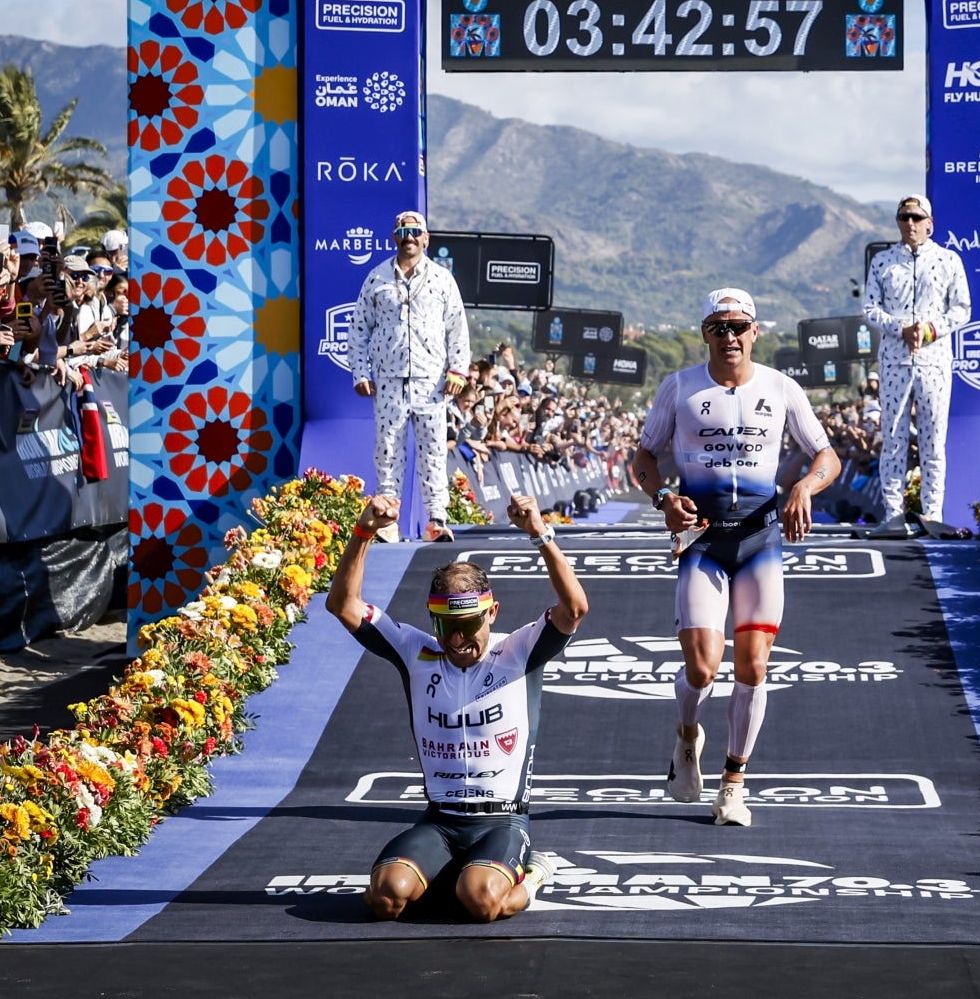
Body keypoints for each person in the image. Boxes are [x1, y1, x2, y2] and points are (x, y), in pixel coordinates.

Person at [631, 287, 840, 827]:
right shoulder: (679, 387)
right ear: (705, 333)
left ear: (755, 331)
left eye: (739, 326)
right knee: (702, 669)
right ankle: (687, 735)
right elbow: (644, 456)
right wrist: (663, 498)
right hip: (701, 540)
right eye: (718, 327)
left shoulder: (781, 387)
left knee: (753, 665)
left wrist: (804, 487)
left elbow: (826, 456)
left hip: (759, 540)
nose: (730, 336)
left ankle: (733, 784)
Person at [325, 492, 581, 922]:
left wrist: (540, 533)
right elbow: (342, 605)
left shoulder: (518, 650)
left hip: (502, 822)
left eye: (468, 625)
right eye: (446, 626)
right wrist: (363, 532)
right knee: (384, 899)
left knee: (481, 902)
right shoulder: (415, 651)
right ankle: (452, 876)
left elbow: (574, 608)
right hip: (440, 822)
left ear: (492, 613)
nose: (458, 640)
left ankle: (533, 876)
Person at [348, 210, 472, 543]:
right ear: (394, 238)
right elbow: (358, 329)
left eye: (416, 232)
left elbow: (457, 329)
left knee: (433, 451)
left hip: (431, 383)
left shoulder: (442, 279)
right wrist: (360, 371)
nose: (409, 238)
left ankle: (436, 520)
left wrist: (458, 370)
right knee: (387, 449)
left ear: (426, 238)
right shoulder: (376, 278)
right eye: (403, 232)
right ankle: (387, 519)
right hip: (389, 380)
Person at [861, 194, 972, 531]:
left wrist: (929, 329)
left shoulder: (948, 260)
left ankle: (932, 515)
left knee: (933, 441)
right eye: (904, 217)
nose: (910, 223)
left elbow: (962, 309)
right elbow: (869, 309)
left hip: (934, 362)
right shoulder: (882, 262)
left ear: (929, 223)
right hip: (894, 362)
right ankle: (893, 514)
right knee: (892, 439)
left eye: (916, 217)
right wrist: (901, 328)